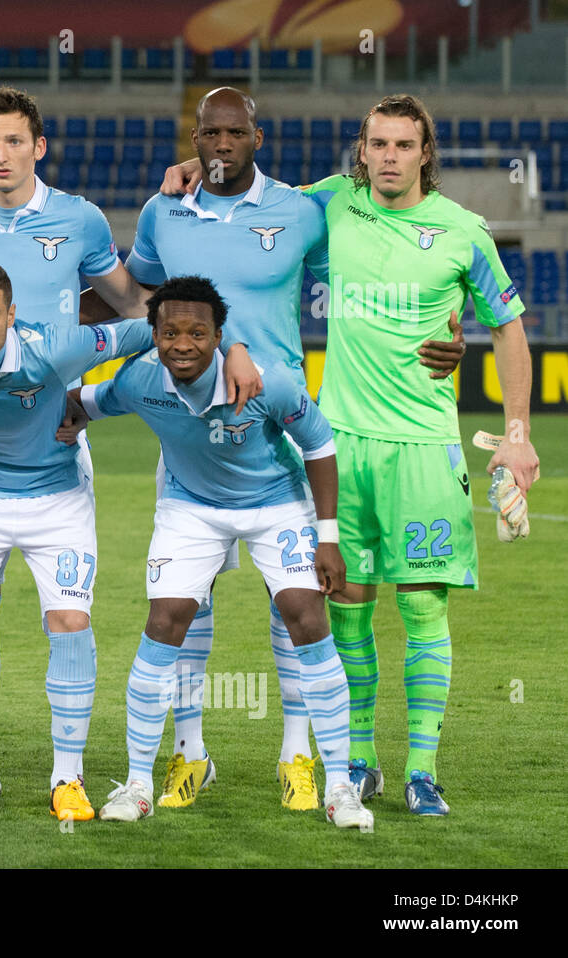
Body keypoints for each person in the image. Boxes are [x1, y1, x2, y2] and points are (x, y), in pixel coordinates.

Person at [106, 87, 463, 813]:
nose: (221, 145)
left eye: (234, 134)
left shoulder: (303, 211)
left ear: (257, 138)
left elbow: (383, 263)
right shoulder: (160, 210)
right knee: (186, 605)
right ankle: (189, 754)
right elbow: (133, 295)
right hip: (189, 435)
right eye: (209, 135)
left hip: (285, 432)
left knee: (294, 605)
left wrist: (449, 326)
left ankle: (298, 756)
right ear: (196, 137)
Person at [0, 86, 215, 802]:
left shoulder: (80, 219)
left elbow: (134, 307)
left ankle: (66, 777)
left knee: (66, 618)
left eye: (15, 141)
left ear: (39, 147)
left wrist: (127, 386)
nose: (0, 155)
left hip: (55, 441)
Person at [0, 260, 232, 822]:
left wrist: (235, 348)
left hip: (57, 501)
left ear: (11, 315)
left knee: (70, 625)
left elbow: (154, 323)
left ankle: (67, 778)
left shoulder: (56, 347)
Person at [63, 275, 372, 832]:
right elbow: (83, 403)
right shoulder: (138, 381)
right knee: (165, 621)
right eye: (170, 332)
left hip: (277, 504)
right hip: (192, 507)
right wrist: (43, 421)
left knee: (306, 616)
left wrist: (328, 536)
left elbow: (320, 443)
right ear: (152, 334)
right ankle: (137, 783)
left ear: (220, 336)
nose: (183, 344)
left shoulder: (267, 383)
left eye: (197, 333)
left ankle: (340, 788)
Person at [303, 95, 537, 815]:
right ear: (362, 149)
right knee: (348, 604)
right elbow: (253, 208)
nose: (390, 157)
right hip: (341, 443)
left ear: (424, 152)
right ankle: (361, 760)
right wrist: (194, 169)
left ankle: (423, 771)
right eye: (378, 144)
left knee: (424, 607)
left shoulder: (463, 231)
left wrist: (519, 431)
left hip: (426, 447)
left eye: (405, 145)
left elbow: (509, 326)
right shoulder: (331, 204)